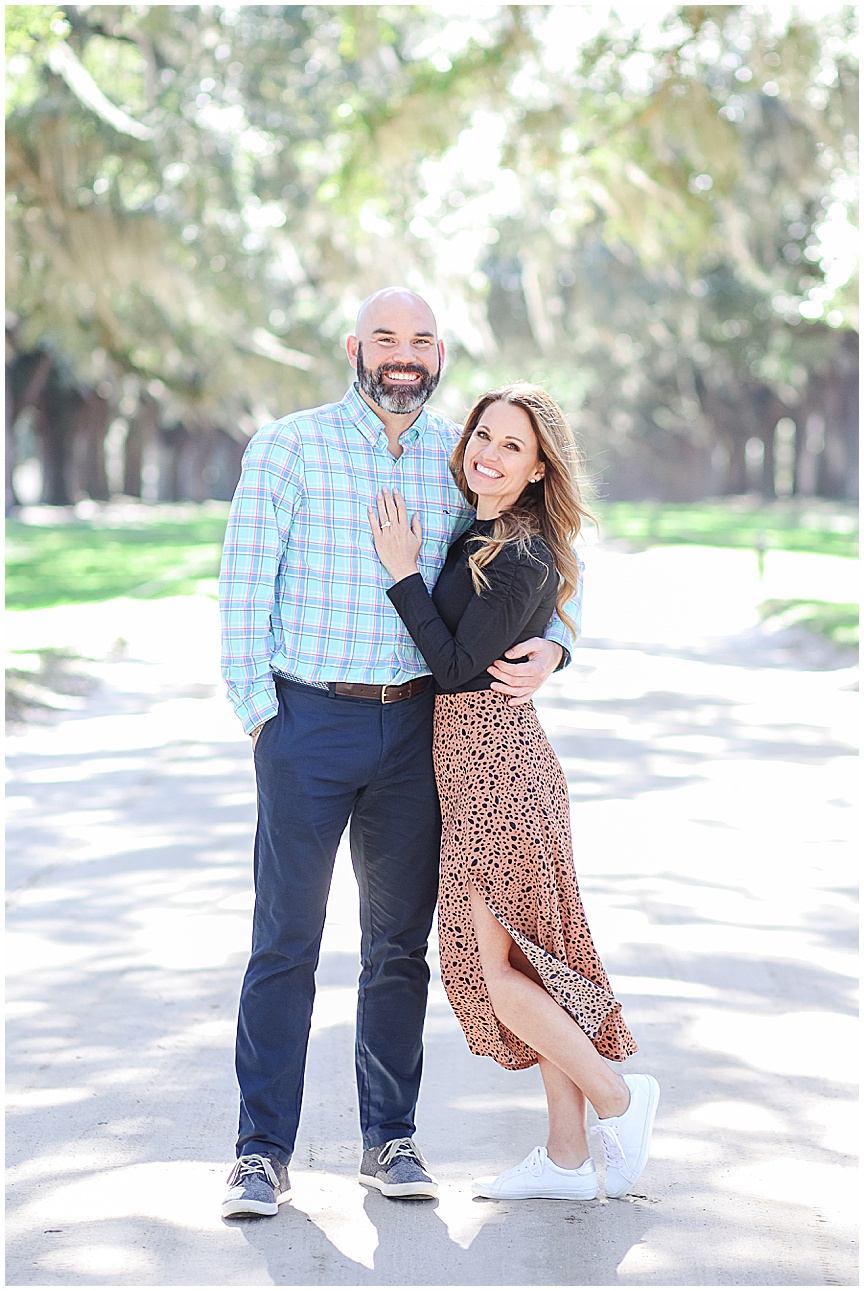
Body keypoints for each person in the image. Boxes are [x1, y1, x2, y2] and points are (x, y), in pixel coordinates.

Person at [218, 290, 578, 1218]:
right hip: (307, 722)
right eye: (386, 339)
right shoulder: (290, 447)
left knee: (396, 948)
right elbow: (241, 592)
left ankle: (391, 1139)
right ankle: (262, 1151)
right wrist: (264, 716)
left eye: (420, 340)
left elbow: (534, 558)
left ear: (440, 353)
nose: (403, 356)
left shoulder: (464, 456)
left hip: (420, 733)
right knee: (285, 941)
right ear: (356, 349)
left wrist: (565, 643)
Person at [368, 383, 659, 1202]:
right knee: (530, 958)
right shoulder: (485, 530)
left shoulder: (522, 550)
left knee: (497, 966)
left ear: (538, 471)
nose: (488, 455)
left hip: (499, 772)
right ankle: (567, 1158)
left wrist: (400, 575)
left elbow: (458, 670)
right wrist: (558, 646)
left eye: (512, 448)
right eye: (482, 436)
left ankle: (619, 1099)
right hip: (474, 772)